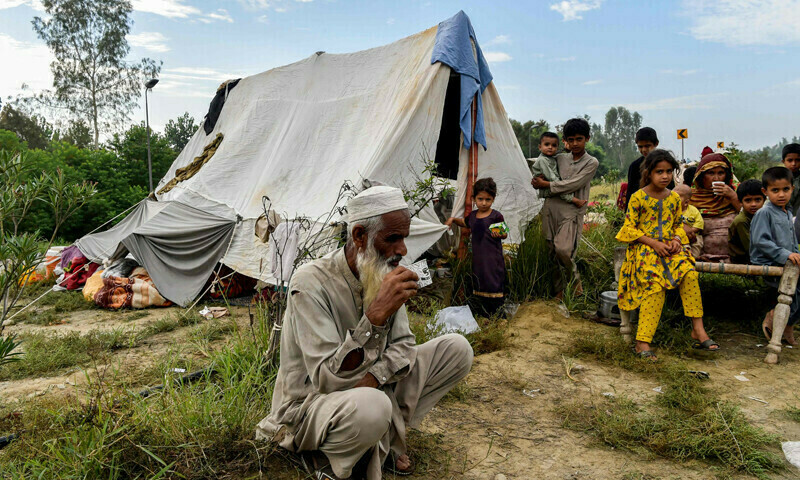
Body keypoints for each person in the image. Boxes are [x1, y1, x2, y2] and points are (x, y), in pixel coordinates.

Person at [256, 186, 473, 480]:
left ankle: (379, 438)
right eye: (393, 239)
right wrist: (374, 317)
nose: (403, 250)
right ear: (360, 236)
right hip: (310, 405)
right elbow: (327, 380)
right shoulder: (310, 282)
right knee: (374, 405)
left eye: (404, 239)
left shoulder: (382, 268)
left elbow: (404, 346)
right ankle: (334, 453)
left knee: (457, 349)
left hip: (368, 390)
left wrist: (372, 379)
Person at [617, 149, 719, 360]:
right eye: (659, 171)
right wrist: (653, 243)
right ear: (649, 173)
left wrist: (675, 240)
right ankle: (642, 341)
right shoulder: (638, 198)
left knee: (690, 274)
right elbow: (629, 229)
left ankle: (698, 329)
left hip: (669, 250)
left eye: (669, 171)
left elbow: (676, 226)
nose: (664, 176)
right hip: (643, 250)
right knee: (655, 285)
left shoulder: (674, 198)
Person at [531, 118, 599, 298]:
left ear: (587, 139)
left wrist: (546, 184)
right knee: (551, 252)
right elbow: (541, 168)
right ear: (565, 141)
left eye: (579, 139)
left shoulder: (591, 162)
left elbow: (572, 184)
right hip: (551, 208)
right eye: (571, 139)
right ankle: (558, 291)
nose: (575, 143)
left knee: (563, 250)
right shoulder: (559, 158)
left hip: (571, 211)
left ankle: (576, 285)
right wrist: (536, 181)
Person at [751, 167, 800, 346]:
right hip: (767, 261)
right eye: (775, 190)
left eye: (785, 189)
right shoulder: (764, 213)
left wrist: (795, 255)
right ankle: (774, 317)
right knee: (796, 289)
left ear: (792, 189)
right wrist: (786, 255)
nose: (781, 195)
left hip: (785, 260)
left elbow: (792, 241)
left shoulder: (787, 212)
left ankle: (788, 323)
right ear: (765, 192)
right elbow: (760, 241)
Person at [445, 178, 508, 317]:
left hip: (493, 259)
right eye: (480, 199)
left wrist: (499, 232)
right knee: (479, 282)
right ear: (474, 199)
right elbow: (465, 223)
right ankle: (483, 314)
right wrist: (453, 220)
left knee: (493, 283)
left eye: (488, 199)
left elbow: (504, 234)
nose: (484, 203)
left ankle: (498, 315)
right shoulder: (473, 216)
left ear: (493, 199)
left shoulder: (496, 216)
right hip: (478, 260)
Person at [689, 153, 741, 262]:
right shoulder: (691, 197)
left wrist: (732, 196)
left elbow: (748, 216)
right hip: (701, 257)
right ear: (701, 176)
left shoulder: (736, 192)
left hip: (733, 256)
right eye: (711, 173)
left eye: (721, 173)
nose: (716, 178)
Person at [530, 132, 587, 208]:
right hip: (546, 189)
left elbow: (560, 155)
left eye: (554, 145)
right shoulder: (542, 160)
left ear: (557, 147)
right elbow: (551, 177)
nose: (550, 147)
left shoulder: (551, 158)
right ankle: (575, 200)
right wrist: (560, 184)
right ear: (540, 147)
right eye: (547, 144)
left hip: (549, 185)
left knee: (560, 188)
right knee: (560, 189)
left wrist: (567, 149)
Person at [625, 127, 674, 209]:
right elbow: (630, 192)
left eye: (647, 146)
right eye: (640, 147)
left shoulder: (664, 163)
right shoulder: (634, 166)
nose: (644, 150)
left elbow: (671, 188)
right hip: (642, 208)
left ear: (656, 144)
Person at [728, 179, 765, 264]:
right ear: (741, 202)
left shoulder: (761, 216)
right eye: (748, 200)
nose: (753, 204)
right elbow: (750, 248)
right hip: (743, 259)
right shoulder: (741, 221)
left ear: (764, 199)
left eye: (758, 200)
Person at [673, 184, 704, 258]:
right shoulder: (671, 210)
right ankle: (686, 255)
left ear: (686, 202)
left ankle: (695, 257)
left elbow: (699, 223)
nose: (673, 199)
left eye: (677, 197)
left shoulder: (693, 210)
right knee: (683, 245)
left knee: (698, 244)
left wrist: (691, 230)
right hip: (678, 235)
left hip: (694, 234)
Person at [781, 143, 800, 215]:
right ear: (783, 162)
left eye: (797, 160)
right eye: (790, 160)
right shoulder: (777, 180)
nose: (794, 164)